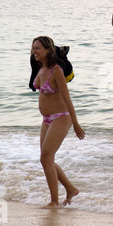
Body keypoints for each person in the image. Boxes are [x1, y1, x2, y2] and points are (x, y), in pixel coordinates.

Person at [31, 36, 85, 208]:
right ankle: (70, 189)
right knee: (47, 159)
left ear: (48, 50)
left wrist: (75, 124)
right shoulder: (40, 68)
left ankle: (54, 202)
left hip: (61, 117)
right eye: (33, 48)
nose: (34, 51)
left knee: (45, 159)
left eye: (38, 48)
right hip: (46, 119)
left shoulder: (56, 71)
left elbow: (68, 100)